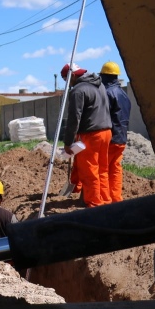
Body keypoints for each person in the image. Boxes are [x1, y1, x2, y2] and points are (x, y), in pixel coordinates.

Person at [60, 63, 112, 207]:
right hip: (106, 132)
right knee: (102, 169)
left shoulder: (78, 91)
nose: (67, 83)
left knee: (89, 171)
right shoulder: (99, 85)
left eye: (66, 79)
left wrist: (68, 141)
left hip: (90, 135)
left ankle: (95, 205)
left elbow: (74, 118)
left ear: (73, 76)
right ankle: (105, 201)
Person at [100, 61, 131, 203]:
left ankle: (106, 201)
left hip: (110, 138)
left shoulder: (106, 93)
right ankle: (116, 198)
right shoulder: (124, 95)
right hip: (121, 138)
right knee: (116, 169)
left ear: (105, 76)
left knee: (103, 169)